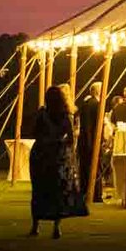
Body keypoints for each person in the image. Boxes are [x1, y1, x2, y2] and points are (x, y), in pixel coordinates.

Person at [28, 88, 78, 239]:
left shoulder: (42, 114)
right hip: (57, 156)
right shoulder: (65, 116)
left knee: (38, 190)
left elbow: (33, 132)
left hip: (41, 155)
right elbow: (70, 138)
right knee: (57, 191)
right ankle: (56, 227)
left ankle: (35, 226)